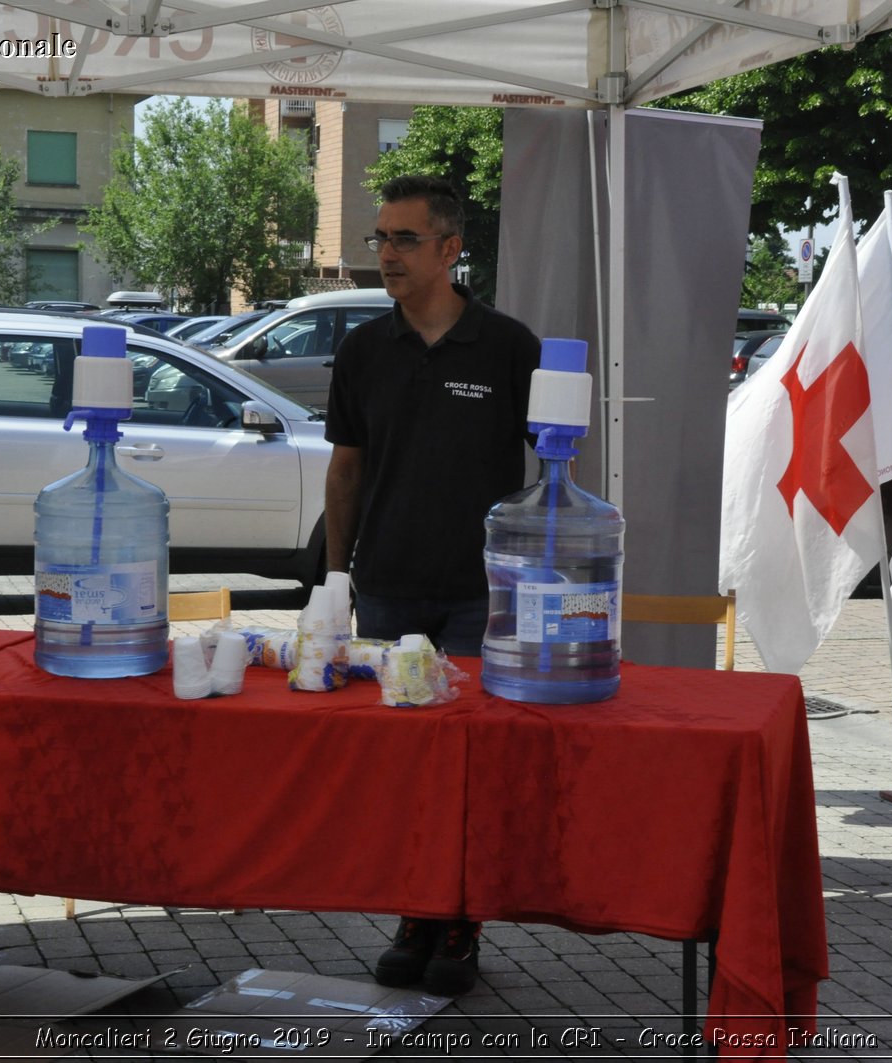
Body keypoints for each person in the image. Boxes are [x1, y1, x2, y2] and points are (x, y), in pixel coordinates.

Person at [323, 174, 540, 996]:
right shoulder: (362, 350)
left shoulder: (509, 346)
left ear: (450, 249)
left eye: (403, 239)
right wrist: (336, 578)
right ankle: (416, 911)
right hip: (386, 590)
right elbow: (346, 468)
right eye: (379, 238)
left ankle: (462, 922)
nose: (384, 254)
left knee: (471, 764)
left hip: (479, 597)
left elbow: (555, 464)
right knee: (408, 770)